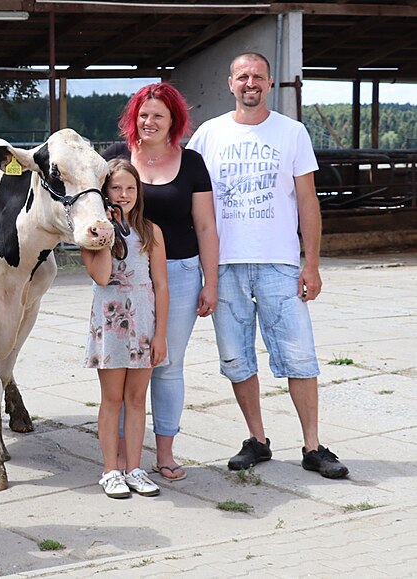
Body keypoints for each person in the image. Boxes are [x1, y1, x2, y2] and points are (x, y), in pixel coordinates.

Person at [187, 52, 348, 479]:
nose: (250, 83)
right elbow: (189, 197)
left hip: (279, 264)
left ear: (270, 83)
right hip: (224, 267)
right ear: (230, 83)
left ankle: (313, 446)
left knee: (300, 357)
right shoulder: (208, 135)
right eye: (243, 76)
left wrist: (310, 264)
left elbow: (308, 203)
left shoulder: (292, 133)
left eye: (257, 76)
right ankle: (256, 440)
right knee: (237, 359)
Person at [102, 82, 218, 482]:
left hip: (181, 272)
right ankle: (118, 462)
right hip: (123, 277)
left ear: (174, 122)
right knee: (120, 366)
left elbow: (205, 225)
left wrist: (211, 281)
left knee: (164, 363)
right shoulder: (115, 159)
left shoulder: (192, 163)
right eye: (143, 114)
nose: (149, 122)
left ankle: (164, 454)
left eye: (159, 116)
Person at [84, 159, 169, 498]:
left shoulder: (151, 231)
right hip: (110, 324)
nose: (123, 194)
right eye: (116, 188)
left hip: (144, 324)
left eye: (130, 188)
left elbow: (160, 284)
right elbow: (102, 276)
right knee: (112, 398)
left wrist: (160, 334)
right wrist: (106, 232)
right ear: (105, 193)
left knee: (137, 399)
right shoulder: (93, 234)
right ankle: (110, 470)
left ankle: (135, 467)